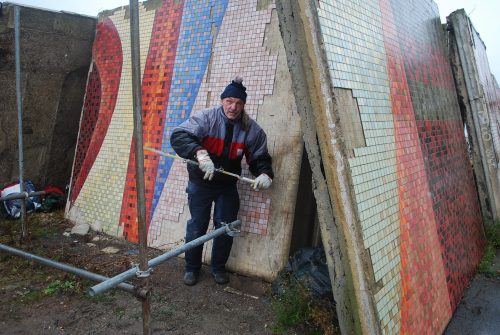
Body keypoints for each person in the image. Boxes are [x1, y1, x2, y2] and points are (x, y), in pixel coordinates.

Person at [170, 77, 274, 286]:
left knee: (226, 227)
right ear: (222, 101)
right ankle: (192, 268)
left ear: (244, 105)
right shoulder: (207, 118)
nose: (233, 107)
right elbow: (179, 136)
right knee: (197, 226)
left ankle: (218, 268)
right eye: (229, 101)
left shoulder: (251, 130)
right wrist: (200, 154)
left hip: (227, 185)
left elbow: (259, 157)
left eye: (238, 103)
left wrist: (265, 174)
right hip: (200, 182)